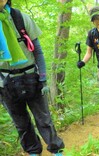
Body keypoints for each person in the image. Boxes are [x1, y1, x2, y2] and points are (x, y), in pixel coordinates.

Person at [0, 0, 64, 155]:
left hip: (31, 78)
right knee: (21, 123)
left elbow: (38, 51)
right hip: (5, 82)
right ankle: (33, 151)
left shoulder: (20, 18)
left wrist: (43, 77)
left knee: (44, 119)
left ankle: (56, 150)